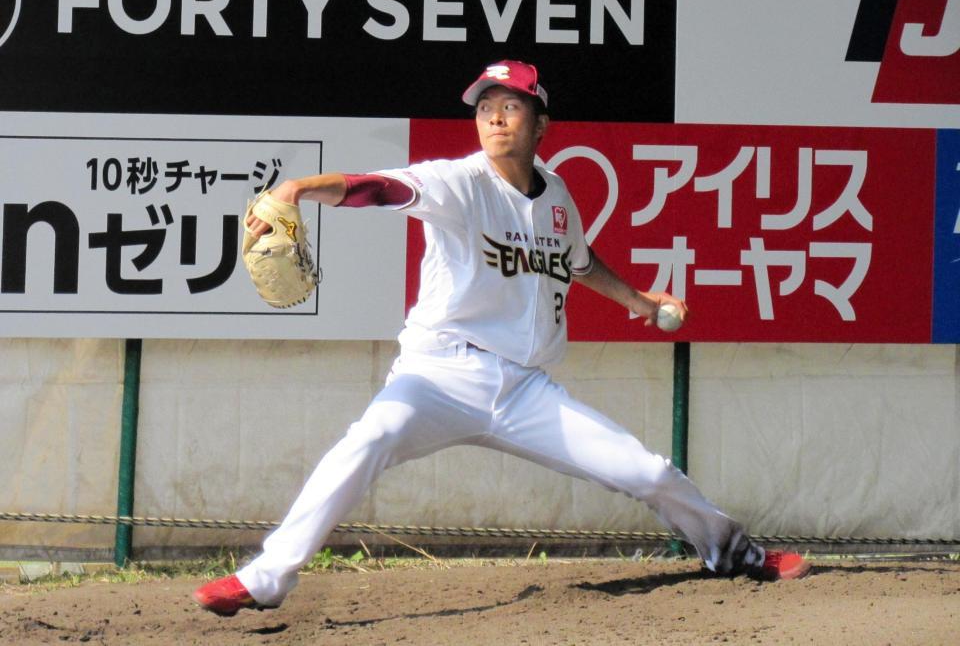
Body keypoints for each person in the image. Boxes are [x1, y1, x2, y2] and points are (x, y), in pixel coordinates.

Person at [193, 59, 809, 616]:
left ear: (541, 123)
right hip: (438, 375)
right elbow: (379, 188)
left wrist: (640, 301)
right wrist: (298, 189)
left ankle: (733, 552)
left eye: (511, 105)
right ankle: (266, 578)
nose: (494, 117)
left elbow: (578, 260)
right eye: (486, 107)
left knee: (645, 471)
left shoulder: (557, 195)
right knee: (368, 439)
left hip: (524, 391)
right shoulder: (457, 183)